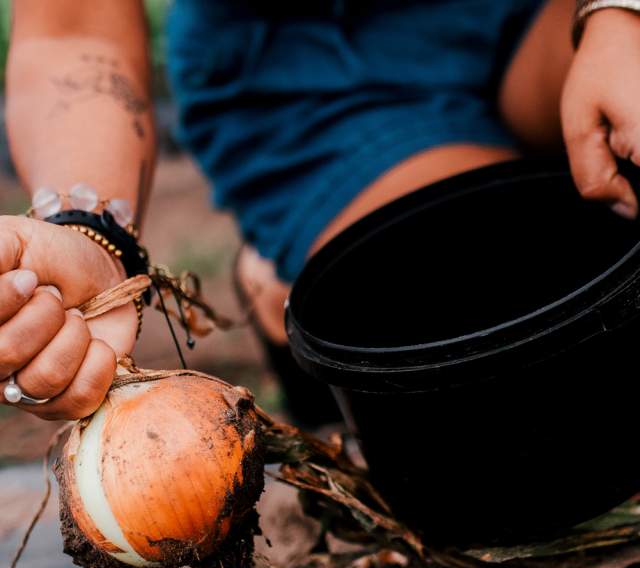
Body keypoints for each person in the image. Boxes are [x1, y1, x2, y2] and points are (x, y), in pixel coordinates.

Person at [2, 0, 640, 420]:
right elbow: (75, 22)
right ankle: (288, 279)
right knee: (512, 357)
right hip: (306, 65)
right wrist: (91, 230)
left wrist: (619, 12)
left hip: (543, 13)